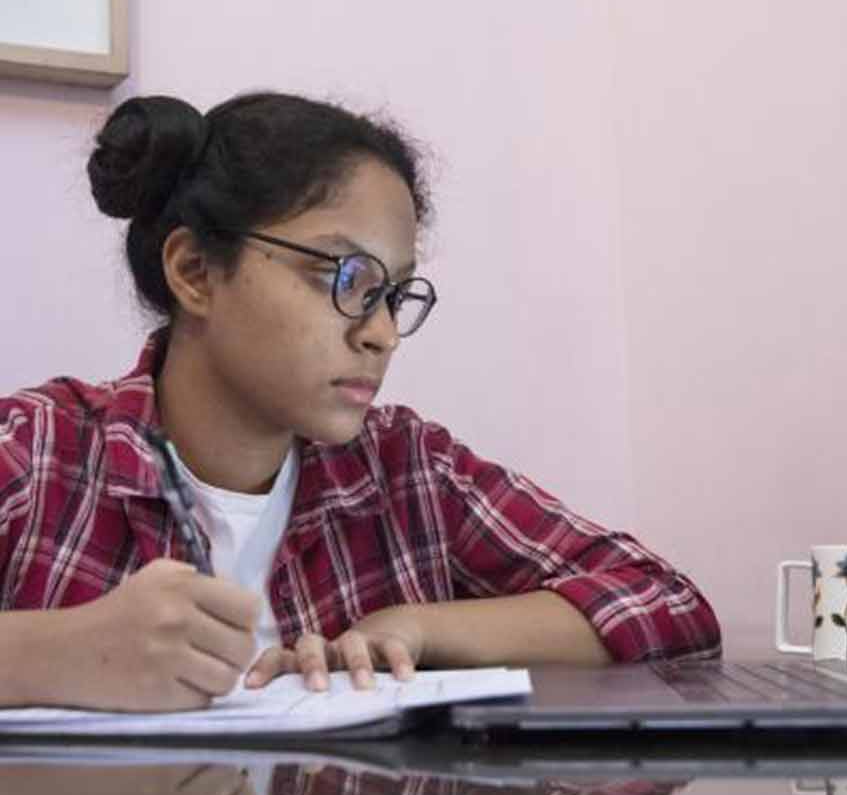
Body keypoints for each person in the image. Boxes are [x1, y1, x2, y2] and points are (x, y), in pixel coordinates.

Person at [0, 92, 720, 712]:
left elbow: (666, 602)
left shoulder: (406, 471)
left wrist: (418, 628)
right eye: (346, 278)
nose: (381, 334)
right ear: (195, 272)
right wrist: (57, 650)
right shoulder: (38, 453)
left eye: (393, 294)